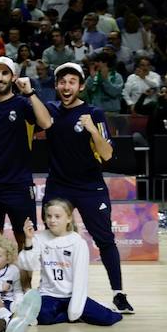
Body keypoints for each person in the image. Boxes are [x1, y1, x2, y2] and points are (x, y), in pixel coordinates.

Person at [31, 62, 132, 314]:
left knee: (105, 239)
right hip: (59, 185)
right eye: (62, 82)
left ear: (81, 86)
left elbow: (107, 154)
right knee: (51, 238)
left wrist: (92, 131)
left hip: (90, 186)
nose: (67, 87)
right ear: (56, 85)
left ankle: (118, 294)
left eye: (72, 82)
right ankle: (50, 290)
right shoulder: (50, 110)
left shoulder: (94, 113)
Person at [0, 56, 50, 245]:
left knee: (26, 241)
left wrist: (30, 93)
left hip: (18, 185)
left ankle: (25, 276)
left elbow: (46, 123)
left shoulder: (23, 104)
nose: (0, 78)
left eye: (5, 73)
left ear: (13, 77)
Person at [18, 200, 122, 327]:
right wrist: (28, 240)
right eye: (49, 216)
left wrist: (75, 308)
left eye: (57, 216)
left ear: (68, 218)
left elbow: (80, 279)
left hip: (72, 294)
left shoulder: (77, 243)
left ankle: (102, 309)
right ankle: (68, 315)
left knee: (107, 319)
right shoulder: (39, 238)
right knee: (42, 317)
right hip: (49, 294)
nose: (52, 220)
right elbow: (27, 265)